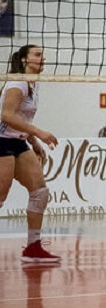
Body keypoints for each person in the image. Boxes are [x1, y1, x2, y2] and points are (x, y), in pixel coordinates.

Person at [0, 45, 60, 263]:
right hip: (1, 140)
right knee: (1, 195)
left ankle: (33, 248)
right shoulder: (18, 83)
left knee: (39, 191)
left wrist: (33, 141)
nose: (43, 58)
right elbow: (6, 115)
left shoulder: (33, 83)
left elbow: (21, 118)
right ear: (25, 59)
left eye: (42, 54)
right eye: (37, 54)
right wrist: (38, 132)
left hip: (18, 141)